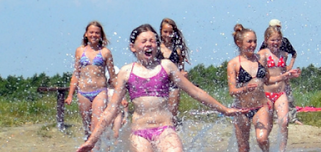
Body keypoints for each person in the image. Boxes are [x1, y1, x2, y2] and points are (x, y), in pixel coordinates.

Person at [78, 24, 247, 152]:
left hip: (165, 129)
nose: (148, 44)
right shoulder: (126, 72)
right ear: (133, 47)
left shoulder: (166, 66)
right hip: (139, 132)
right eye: (143, 41)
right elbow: (111, 110)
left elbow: (195, 92)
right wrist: (92, 140)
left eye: (152, 41)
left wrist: (224, 109)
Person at [259, 25, 305, 152]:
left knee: (284, 122)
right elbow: (265, 79)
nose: (276, 43)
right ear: (266, 40)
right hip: (266, 94)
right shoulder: (261, 55)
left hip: (280, 93)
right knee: (268, 127)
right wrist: (284, 75)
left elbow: (283, 73)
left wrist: (292, 75)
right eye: (273, 40)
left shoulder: (283, 55)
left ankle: (281, 150)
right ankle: (265, 149)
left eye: (278, 40)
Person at [227, 24, 272, 152]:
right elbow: (232, 91)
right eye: (249, 42)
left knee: (262, 139)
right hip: (241, 109)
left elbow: (267, 81)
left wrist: (285, 76)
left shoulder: (261, 58)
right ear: (239, 43)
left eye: (255, 41)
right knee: (243, 147)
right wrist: (244, 89)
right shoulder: (233, 64)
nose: (253, 45)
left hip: (260, 106)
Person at [66, 21, 115, 139]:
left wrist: (120, 96)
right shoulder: (80, 51)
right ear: (86, 34)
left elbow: (113, 77)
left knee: (96, 125)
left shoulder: (105, 52)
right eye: (91, 32)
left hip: (100, 91)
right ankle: (88, 147)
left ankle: (96, 148)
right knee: (87, 127)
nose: (94, 35)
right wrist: (70, 95)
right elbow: (76, 74)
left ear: (101, 35)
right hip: (83, 92)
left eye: (97, 33)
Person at [159, 18, 187, 130]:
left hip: (173, 85)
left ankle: (173, 132)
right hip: (158, 85)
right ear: (161, 31)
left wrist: (183, 74)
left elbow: (181, 69)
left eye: (171, 32)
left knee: (171, 114)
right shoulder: (156, 48)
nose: (168, 35)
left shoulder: (178, 50)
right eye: (165, 32)